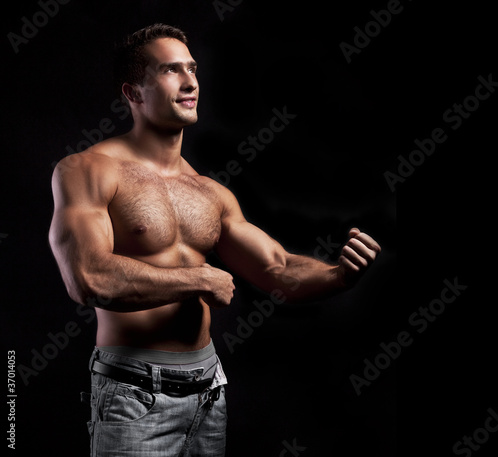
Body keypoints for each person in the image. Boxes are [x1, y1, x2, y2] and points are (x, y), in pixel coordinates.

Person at [49, 23, 381, 457]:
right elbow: (89, 278)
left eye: (192, 69)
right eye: (171, 71)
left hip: (209, 391)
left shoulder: (210, 192)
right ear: (133, 93)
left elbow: (277, 267)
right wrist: (200, 279)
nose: (190, 82)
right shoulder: (89, 171)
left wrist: (339, 274)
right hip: (134, 394)